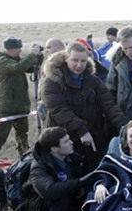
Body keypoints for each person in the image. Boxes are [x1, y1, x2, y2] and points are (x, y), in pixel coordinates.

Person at [42, 41, 126, 174]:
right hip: (64, 140)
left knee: (93, 175)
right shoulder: (52, 81)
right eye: (75, 60)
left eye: (83, 61)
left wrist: (124, 126)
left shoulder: (93, 80)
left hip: (93, 138)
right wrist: (81, 130)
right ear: (66, 57)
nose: (79, 65)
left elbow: (109, 104)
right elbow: (59, 109)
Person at [25, 127, 87, 211]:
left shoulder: (73, 158)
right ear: (54, 149)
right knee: (60, 199)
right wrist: (79, 182)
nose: (72, 142)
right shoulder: (39, 166)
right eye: (66, 141)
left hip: (71, 202)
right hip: (43, 210)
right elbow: (50, 192)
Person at [0, 37, 43, 157]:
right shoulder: (2, 61)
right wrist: (32, 55)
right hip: (8, 106)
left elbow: (32, 68)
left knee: (22, 134)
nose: (20, 51)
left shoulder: (16, 59)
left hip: (20, 105)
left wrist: (38, 56)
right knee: (0, 136)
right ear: (11, 49)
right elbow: (19, 68)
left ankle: (24, 156)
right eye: (18, 48)